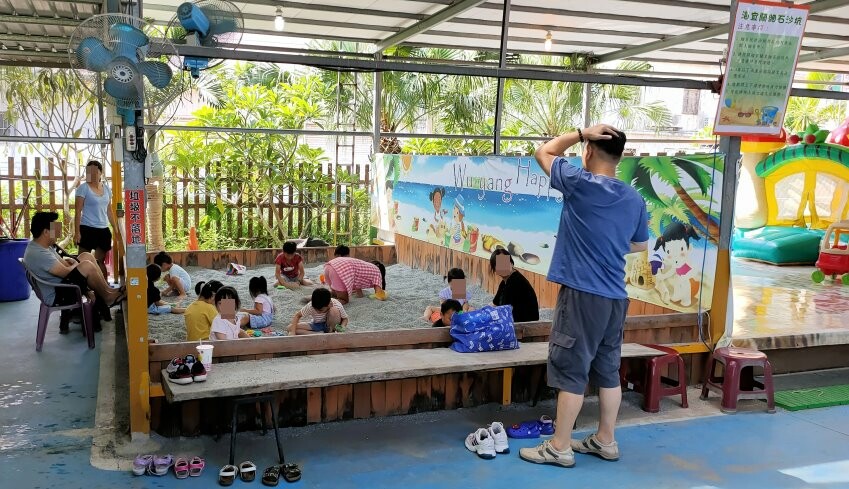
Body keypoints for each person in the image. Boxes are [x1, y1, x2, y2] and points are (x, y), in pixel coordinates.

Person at [518, 125, 649, 468]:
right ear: (620, 156)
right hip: (615, 298)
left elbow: (543, 152)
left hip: (581, 296)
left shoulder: (580, 182)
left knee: (572, 371)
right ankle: (606, 440)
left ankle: (559, 446)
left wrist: (580, 132)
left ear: (588, 151)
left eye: (584, 148)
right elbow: (639, 245)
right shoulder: (634, 199)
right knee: (608, 369)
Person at [23, 212, 125, 321]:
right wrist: (76, 264)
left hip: (61, 285)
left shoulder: (42, 246)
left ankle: (108, 291)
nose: (57, 231)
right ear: (46, 232)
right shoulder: (39, 253)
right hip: (59, 293)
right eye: (54, 228)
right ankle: (107, 298)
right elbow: (66, 272)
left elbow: (63, 264)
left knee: (86, 256)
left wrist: (72, 263)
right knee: (86, 266)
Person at [74, 160, 117, 280]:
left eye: (95, 172)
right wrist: (77, 232)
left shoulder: (107, 189)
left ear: (100, 173)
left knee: (99, 261)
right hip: (87, 228)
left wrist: (115, 228)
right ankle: (84, 287)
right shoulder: (83, 188)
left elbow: (109, 211)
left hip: (103, 230)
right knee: (83, 261)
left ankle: (104, 287)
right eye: (89, 172)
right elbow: (77, 211)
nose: (92, 174)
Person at [489, 249, 540, 323]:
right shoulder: (505, 282)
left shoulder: (516, 281)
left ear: (512, 264)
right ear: (495, 269)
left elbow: (504, 313)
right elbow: (494, 304)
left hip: (523, 325)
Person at [323, 257, 387, 305]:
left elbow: (357, 284)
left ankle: (319, 297)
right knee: (344, 299)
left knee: (335, 293)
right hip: (340, 270)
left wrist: (360, 295)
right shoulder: (377, 272)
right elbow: (379, 294)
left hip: (329, 266)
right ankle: (323, 304)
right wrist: (383, 296)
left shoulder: (364, 266)